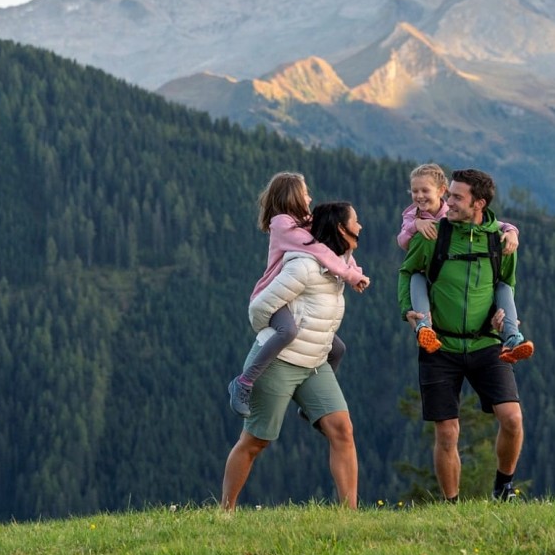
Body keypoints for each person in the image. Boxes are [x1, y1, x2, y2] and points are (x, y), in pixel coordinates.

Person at [221, 201, 364, 511]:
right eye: (356, 221)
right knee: (255, 441)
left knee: (342, 430)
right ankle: (225, 511)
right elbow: (260, 306)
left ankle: (350, 514)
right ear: (341, 229)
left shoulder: (340, 267)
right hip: (278, 363)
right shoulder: (303, 267)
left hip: (315, 363)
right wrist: (284, 331)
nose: (360, 227)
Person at [398, 168, 528, 502]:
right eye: (449, 194)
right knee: (447, 432)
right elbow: (408, 272)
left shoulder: (500, 241)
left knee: (512, 419)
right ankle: (452, 506)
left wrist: (504, 316)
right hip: (440, 345)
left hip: (487, 342)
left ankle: (503, 487)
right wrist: (408, 311)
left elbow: (506, 283)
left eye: (457, 197)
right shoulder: (433, 234)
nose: (448, 202)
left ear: (478, 203)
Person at [228, 173, 370, 417]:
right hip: (274, 295)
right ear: (292, 196)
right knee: (288, 331)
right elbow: (320, 250)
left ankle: (314, 404)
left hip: (290, 294)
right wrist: (350, 275)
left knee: (337, 349)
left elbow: (335, 251)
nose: (310, 198)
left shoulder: (305, 223)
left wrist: (354, 271)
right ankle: (244, 382)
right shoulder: (282, 225)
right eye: (305, 193)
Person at [398, 163, 533, 362]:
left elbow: (493, 227)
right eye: (415, 191)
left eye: (425, 190)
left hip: (486, 344)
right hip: (442, 343)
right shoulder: (417, 219)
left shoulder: (494, 238)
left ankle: (512, 336)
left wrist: (511, 230)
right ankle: (424, 327)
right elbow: (403, 248)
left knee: (503, 286)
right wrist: (416, 225)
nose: (419, 196)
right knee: (417, 276)